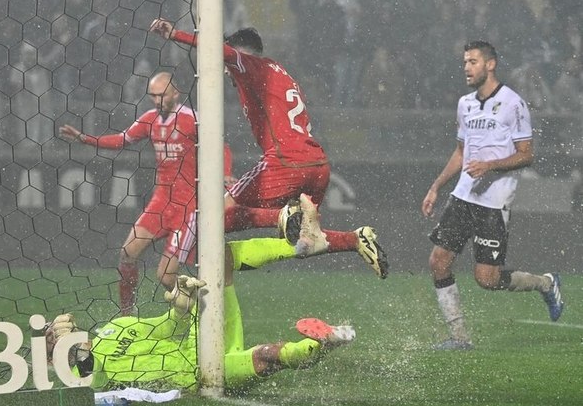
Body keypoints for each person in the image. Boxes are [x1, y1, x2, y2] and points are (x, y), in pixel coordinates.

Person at [149, 19, 389, 279]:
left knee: (212, 217)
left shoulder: (253, 66)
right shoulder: (280, 72)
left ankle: (277, 219)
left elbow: (219, 51)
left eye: (228, 65)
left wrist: (176, 35)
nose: (226, 70)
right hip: (317, 165)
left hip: (285, 162)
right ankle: (355, 240)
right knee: (306, 241)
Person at [44, 204, 354, 391]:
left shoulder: (116, 326)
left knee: (219, 257)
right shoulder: (75, 378)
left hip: (199, 335)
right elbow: (91, 382)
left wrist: (181, 303)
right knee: (266, 356)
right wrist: (79, 352)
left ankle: (302, 244)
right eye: (53, 341)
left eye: (57, 334)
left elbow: (164, 327)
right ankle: (323, 342)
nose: (61, 337)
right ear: (51, 358)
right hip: (197, 373)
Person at [421, 41, 565, 350]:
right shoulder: (465, 104)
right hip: (463, 196)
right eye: (464, 62)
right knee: (438, 262)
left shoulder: (514, 104)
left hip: (494, 202)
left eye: (472, 61)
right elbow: (461, 152)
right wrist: (436, 185)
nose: (466, 68)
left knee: (486, 279)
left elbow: (526, 155)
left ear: (490, 64)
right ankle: (459, 339)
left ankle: (546, 283)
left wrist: (491, 165)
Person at [58, 72, 235, 312]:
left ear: (176, 93)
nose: (157, 101)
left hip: (188, 207)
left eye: (161, 95)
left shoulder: (192, 118)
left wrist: (225, 174)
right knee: (127, 253)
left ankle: (205, 315)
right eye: (153, 96)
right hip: (161, 203)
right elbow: (122, 140)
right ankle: (127, 314)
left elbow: (221, 145)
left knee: (165, 276)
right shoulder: (150, 119)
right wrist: (84, 139)